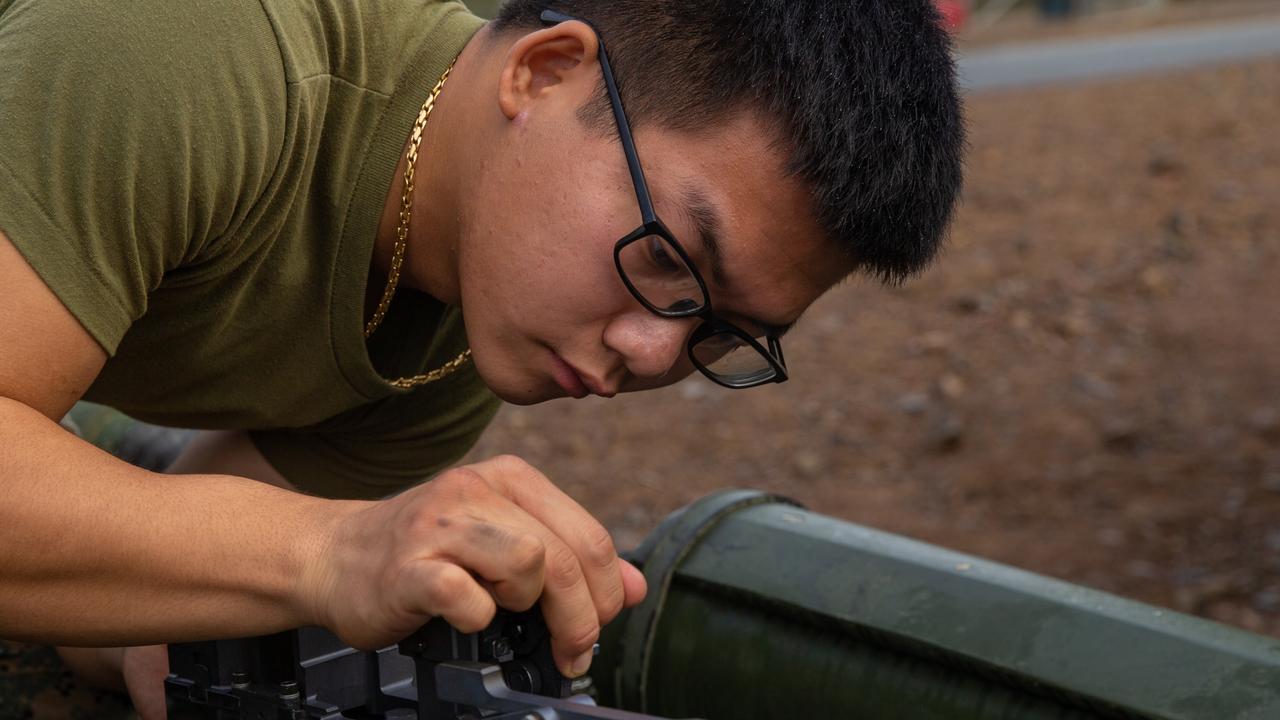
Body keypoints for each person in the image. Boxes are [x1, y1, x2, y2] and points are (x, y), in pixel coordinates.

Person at [0, 0, 964, 715]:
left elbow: (162, 615)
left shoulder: (468, 336)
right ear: (543, 72)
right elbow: (290, 557)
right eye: (667, 255)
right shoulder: (193, 54)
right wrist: (334, 548)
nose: (647, 348)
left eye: (721, 332)